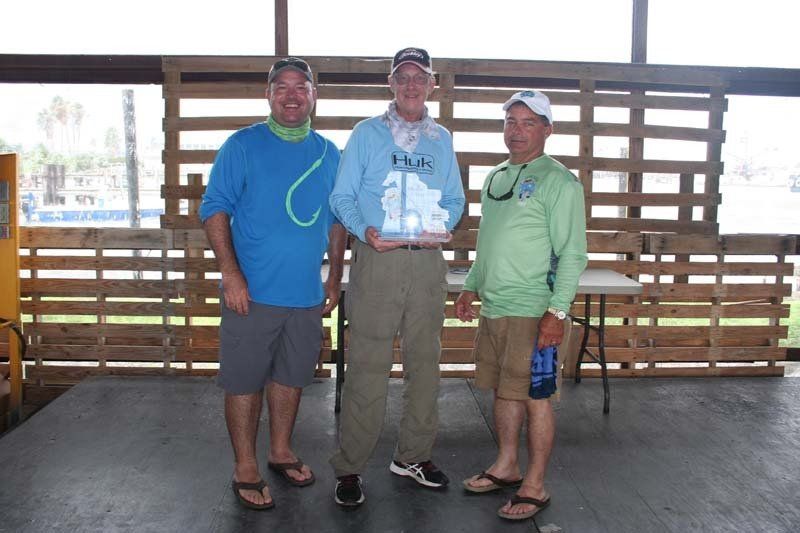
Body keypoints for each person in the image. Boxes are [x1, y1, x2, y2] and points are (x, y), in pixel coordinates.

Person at [199, 57, 346, 511]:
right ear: (268, 95)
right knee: (244, 382)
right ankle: (246, 464)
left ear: (313, 96)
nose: (291, 95)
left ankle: (280, 450)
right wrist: (231, 273)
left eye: (300, 87)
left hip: (304, 295)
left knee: (291, 377)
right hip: (251, 293)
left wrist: (335, 276)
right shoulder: (242, 145)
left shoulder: (329, 153)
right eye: (281, 87)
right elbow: (214, 208)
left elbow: (338, 219)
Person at [328, 47, 465, 507]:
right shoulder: (366, 135)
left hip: (426, 262)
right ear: (391, 82)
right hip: (377, 257)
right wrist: (363, 231)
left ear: (432, 85)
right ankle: (349, 466)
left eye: (419, 77)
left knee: (425, 363)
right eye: (403, 76)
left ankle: (412, 456)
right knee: (368, 364)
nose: (411, 85)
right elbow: (341, 197)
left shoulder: (441, 139)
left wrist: (441, 224)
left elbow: (455, 199)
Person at [455, 90, 587, 521]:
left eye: (529, 122)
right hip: (495, 309)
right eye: (511, 121)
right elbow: (487, 241)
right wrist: (472, 286)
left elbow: (572, 254)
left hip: (535, 310)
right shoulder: (496, 176)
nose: (517, 131)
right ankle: (506, 465)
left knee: (536, 397)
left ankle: (535, 485)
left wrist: (558, 312)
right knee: (503, 390)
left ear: (548, 130)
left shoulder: (559, 181)